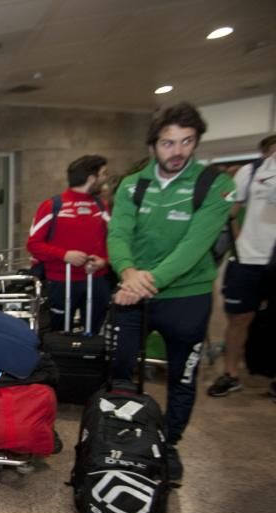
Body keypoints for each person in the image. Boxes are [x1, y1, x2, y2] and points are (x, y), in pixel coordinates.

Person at [107, 102, 236, 481]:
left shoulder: (215, 186)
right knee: (119, 368)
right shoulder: (133, 185)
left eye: (186, 142)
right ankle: (122, 438)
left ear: (196, 143)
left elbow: (194, 247)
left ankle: (170, 445)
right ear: (153, 145)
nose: (177, 151)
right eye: (168, 143)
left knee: (182, 377)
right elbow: (118, 234)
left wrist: (143, 283)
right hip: (132, 294)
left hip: (186, 298)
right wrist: (128, 272)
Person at [208, 134, 276, 398]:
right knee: (239, 318)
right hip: (248, 259)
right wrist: (238, 241)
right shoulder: (251, 172)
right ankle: (231, 373)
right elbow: (230, 212)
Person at [27, 155, 112, 331]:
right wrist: (65, 255)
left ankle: (91, 357)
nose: (106, 178)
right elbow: (33, 244)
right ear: (91, 178)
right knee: (59, 331)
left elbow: (116, 241)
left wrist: (104, 260)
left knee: (95, 332)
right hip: (61, 281)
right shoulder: (52, 206)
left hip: (97, 281)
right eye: (103, 174)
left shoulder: (101, 206)